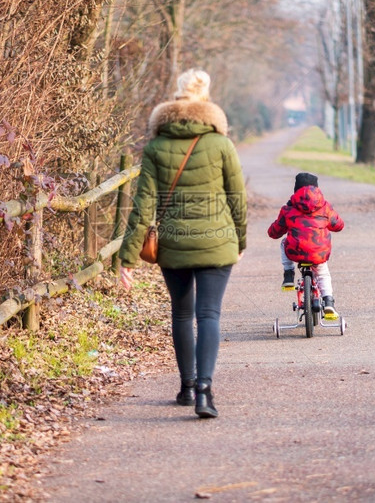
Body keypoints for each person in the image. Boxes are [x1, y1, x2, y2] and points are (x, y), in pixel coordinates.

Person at [118, 68, 247, 419]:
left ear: (175, 99)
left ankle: (187, 387)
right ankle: (205, 392)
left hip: (174, 243)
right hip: (218, 242)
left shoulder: (157, 146)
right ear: (206, 100)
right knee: (208, 314)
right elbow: (237, 198)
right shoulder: (221, 144)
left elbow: (143, 206)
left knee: (182, 312)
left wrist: (127, 257)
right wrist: (241, 240)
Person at [267, 172, 344, 320]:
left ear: (296, 190)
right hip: (318, 252)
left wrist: (272, 230)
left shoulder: (288, 209)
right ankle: (328, 301)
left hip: (295, 251)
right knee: (322, 274)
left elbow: (275, 232)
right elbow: (339, 225)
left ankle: (288, 274)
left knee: (284, 242)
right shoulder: (325, 207)